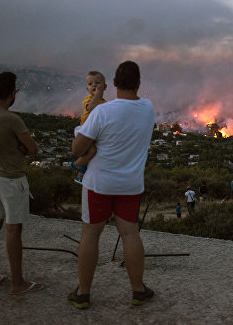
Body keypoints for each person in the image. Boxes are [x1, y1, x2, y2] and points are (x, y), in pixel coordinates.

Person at [68, 61, 155, 309]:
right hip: (130, 184)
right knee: (130, 233)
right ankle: (138, 290)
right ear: (138, 84)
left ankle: (83, 294)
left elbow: (77, 148)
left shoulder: (101, 112)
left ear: (114, 83)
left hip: (99, 184)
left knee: (91, 235)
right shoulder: (148, 108)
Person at [0, 72, 44, 295]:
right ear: (12, 93)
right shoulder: (11, 119)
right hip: (11, 178)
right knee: (14, 230)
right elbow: (33, 148)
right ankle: (18, 283)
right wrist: (21, 147)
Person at [71, 71, 108, 185]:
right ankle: (77, 165)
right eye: (90, 84)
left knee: (95, 154)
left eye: (97, 83)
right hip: (85, 130)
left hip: (95, 132)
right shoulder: (88, 99)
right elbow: (91, 108)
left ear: (105, 86)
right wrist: (97, 94)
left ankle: (81, 176)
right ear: (87, 88)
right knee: (92, 151)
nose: (94, 86)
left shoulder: (105, 103)